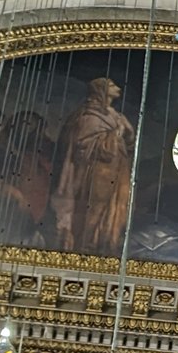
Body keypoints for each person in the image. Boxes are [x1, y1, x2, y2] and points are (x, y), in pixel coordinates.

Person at [51, 78, 136, 254]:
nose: (118, 88)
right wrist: (116, 134)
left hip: (119, 170)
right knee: (95, 208)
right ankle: (86, 244)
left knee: (118, 207)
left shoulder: (116, 115)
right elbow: (83, 145)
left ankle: (107, 243)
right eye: (112, 85)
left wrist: (127, 134)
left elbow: (129, 143)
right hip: (98, 172)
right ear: (101, 90)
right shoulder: (89, 115)